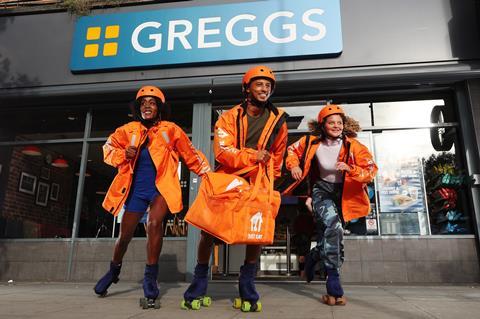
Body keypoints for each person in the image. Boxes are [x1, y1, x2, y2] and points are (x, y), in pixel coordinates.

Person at [181, 65, 288, 312]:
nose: (264, 89)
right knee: (210, 231)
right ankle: (199, 283)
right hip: (228, 178)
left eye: (268, 86)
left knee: (255, 232)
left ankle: (247, 286)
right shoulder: (227, 117)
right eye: (259, 84)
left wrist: (273, 178)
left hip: (258, 181)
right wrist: (253, 156)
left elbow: (279, 154)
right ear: (247, 88)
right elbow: (223, 151)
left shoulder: (278, 120)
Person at [94, 86, 210, 308]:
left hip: (161, 189)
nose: (147, 105)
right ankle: (114, 270)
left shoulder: (170, 130)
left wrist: (207, 174)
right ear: (138, 108)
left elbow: (191, 155)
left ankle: (150, 279)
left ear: (159, 108)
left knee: (154, 223)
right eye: (143, 102)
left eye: (153, 102)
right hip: (136, 190)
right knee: (124, 236)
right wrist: (122, 153)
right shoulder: (128, 130)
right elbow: (107, 149)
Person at [283, 104, 377, 306]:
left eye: (339, 122)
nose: (336, 126)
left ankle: (314, 255)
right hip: (321, 191)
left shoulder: (354, 146)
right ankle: (333, 283)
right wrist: (295, 165)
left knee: (335, 234)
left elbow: (370, 170)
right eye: (331, 122)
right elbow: (291, 151)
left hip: (344, 194)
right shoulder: (310, 142)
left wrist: (350, 169)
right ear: (322, 125)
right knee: (334, 228)